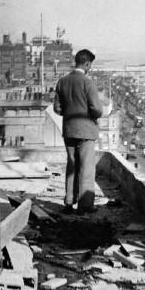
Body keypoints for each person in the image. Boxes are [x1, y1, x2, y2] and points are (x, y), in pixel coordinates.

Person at [54, 49, 103, 213]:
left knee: (72, 166)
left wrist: (68, 113)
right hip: (86, 131)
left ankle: (69, 201)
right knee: (86, 168)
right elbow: (97, 109)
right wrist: (92, 115)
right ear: (87, 64)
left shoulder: (62, 82)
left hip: (69, 130)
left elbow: (57, 108)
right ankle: (85, 205)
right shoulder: (88, 83)